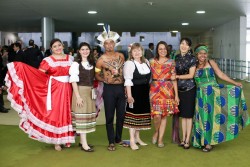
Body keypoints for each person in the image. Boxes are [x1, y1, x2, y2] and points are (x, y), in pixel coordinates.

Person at [5, 38, 75, 151]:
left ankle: (66, 139)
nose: (58, 48)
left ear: (63, 46)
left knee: (67, 112)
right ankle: (56, 141)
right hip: (54, 90)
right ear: (51, 49)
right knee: (56, 113)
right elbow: (39, 75)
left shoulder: (70, 58)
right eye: (55, 46)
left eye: (59, 45)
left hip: (68, 88)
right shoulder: (47, 60)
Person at [192, 44, 249, 152]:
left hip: (213, 93)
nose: (203, 55)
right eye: (200, 53)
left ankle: (209, 143)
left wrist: (234, 83)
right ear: (196, 54)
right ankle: (202, 141)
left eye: (205, 53)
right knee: (202, 118)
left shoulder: (211, 62)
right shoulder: (193, 65)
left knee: (212, 117)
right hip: (200, 96)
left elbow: (221, 75)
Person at [95, 25, 127, 151]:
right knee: (109, 116)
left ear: (115, 43)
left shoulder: (121, 56)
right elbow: (97, 75)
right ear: (103, 45)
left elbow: (125, 71)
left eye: (111, 43)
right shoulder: (100, 60)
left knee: (121, 115)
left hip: (120, 88)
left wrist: (126, 86)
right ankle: (111, 141)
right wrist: (104, 79)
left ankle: (118, 138)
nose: (109, 45)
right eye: (106, 43)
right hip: (108, 89)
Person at [150, 41, 179, 148]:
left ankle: (160, 139)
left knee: (164, 116)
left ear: (167, 50)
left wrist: (176, 95)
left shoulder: (171, 62)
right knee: (157, 115)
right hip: (154, 89)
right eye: (160, 49)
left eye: (164, 49)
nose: (163, 51)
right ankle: (156, 132)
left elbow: (174, 78)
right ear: (157, 50)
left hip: (167, 90)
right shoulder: (151, 61)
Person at [123, 43, 151, 150]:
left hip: (144, 93)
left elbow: (149, 79)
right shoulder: (129, 63)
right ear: (131, 52)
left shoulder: (146, 62)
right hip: (135, 92)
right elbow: (128, 80)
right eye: (134, 51)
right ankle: (131, 140)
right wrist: (129, 96)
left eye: (139, 50)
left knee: (140, 116)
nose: (137, 52)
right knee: (133, 117)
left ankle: (137, 138)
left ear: (142, 51)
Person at [69, 42, 96, 152]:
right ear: (79, 51)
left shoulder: (91, 63)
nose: (85, 51)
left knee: (86, 116)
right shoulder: (76, 64)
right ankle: (84, 144)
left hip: (90, 92)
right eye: (83, 49)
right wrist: (78, 96)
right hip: (80, 91)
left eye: (87, 49)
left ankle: (82, 141)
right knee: (82, 118)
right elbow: (74, 82)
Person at [175, 37, 196, 149]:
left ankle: (188, 139)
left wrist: (177, 76)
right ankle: (183, 138)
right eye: (182, 43)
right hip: (180, 90)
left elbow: (191, 75)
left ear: (189, 47)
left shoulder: (192, 58)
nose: (183, 46)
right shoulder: (177, 57)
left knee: (189, 116)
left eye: (186, 44)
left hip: (189, 89)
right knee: (183, 116)